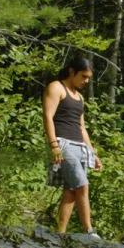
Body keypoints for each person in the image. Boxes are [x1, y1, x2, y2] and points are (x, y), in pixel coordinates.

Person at [42, 57, 102, 237]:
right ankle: (89, 231)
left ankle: (60, 233)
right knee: (82, 185)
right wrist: (54, 145)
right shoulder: (56, 87)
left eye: (89, 77)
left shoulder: (80, 97)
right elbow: (47, 117)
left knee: (71, 191)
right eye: (84, 76)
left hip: (79, 146)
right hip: (62, 143)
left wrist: (93, 153)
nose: (86, 81)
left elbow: (82, 127)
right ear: (71, 71)